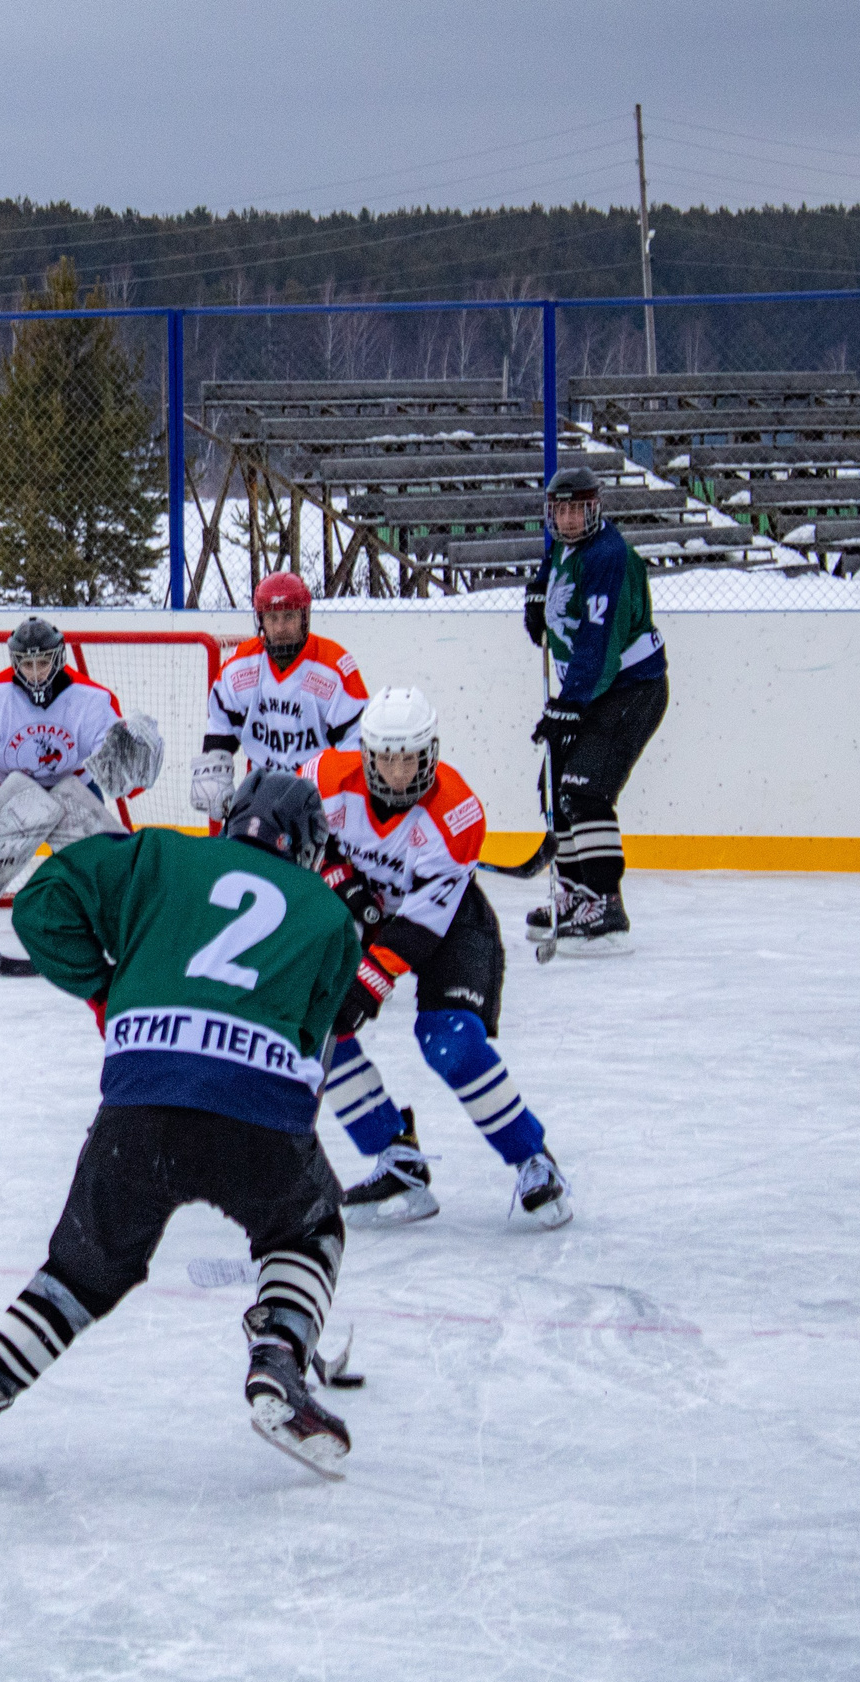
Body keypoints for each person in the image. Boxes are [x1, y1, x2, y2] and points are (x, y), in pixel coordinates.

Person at [0, 768, 365, 1484]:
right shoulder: (331, 917)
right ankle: (277, 1360)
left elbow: (42, 906)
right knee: (310, 1228)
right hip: (259, 1110)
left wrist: (107, 988)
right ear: (305, 848)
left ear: (229, 820)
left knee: (78, 1275)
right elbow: (313, 1046)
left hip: (141, 1102)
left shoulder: (156, 854)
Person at [305, 687, 572, 1231]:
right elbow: (312, 841)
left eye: (410, 759)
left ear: (429, 754)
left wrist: (364, 986)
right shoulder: (325, 778)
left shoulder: (456, 813)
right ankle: (396, 1159)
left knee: (450, 1041)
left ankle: (533, 1160)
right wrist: (346, 888)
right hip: (365, 914)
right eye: (386, 759)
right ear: (366, 754)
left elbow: (420, 928)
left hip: (449, 928)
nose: (399, 773)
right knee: (315, 1023)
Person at [0, 616, 162, 959]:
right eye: (27, 663)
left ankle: (132, 926)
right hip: (6, 786)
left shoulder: (92, 700)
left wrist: (136, 752)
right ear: (14, 661)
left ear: (59, 658)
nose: (35, 672)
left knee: (102, 858)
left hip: (72, 788)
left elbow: (118, 777)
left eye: (43, 662)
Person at [524, 467, 669, 955]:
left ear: (594, 508)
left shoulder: (609, 555)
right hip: (589, 692)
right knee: (554, 789)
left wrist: (569, 705)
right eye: (558, 510)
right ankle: (574, 894)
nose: (566, 520)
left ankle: (606, 904)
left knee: (584, 790)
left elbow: (598, 644)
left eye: (575, 509)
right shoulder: (567, 545)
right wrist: (537, 590)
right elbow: (556, 571)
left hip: (630, 689)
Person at [188, 570, 370, 819]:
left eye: (289, 616)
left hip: (317, 799)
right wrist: (215, 771)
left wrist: (336, 795)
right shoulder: (241, 666)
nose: (281, 627)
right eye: (272, 617)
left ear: (304, 617)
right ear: (261, 620)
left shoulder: (333, 667)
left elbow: (355, 746)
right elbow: (221, 726)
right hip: (260, 796)